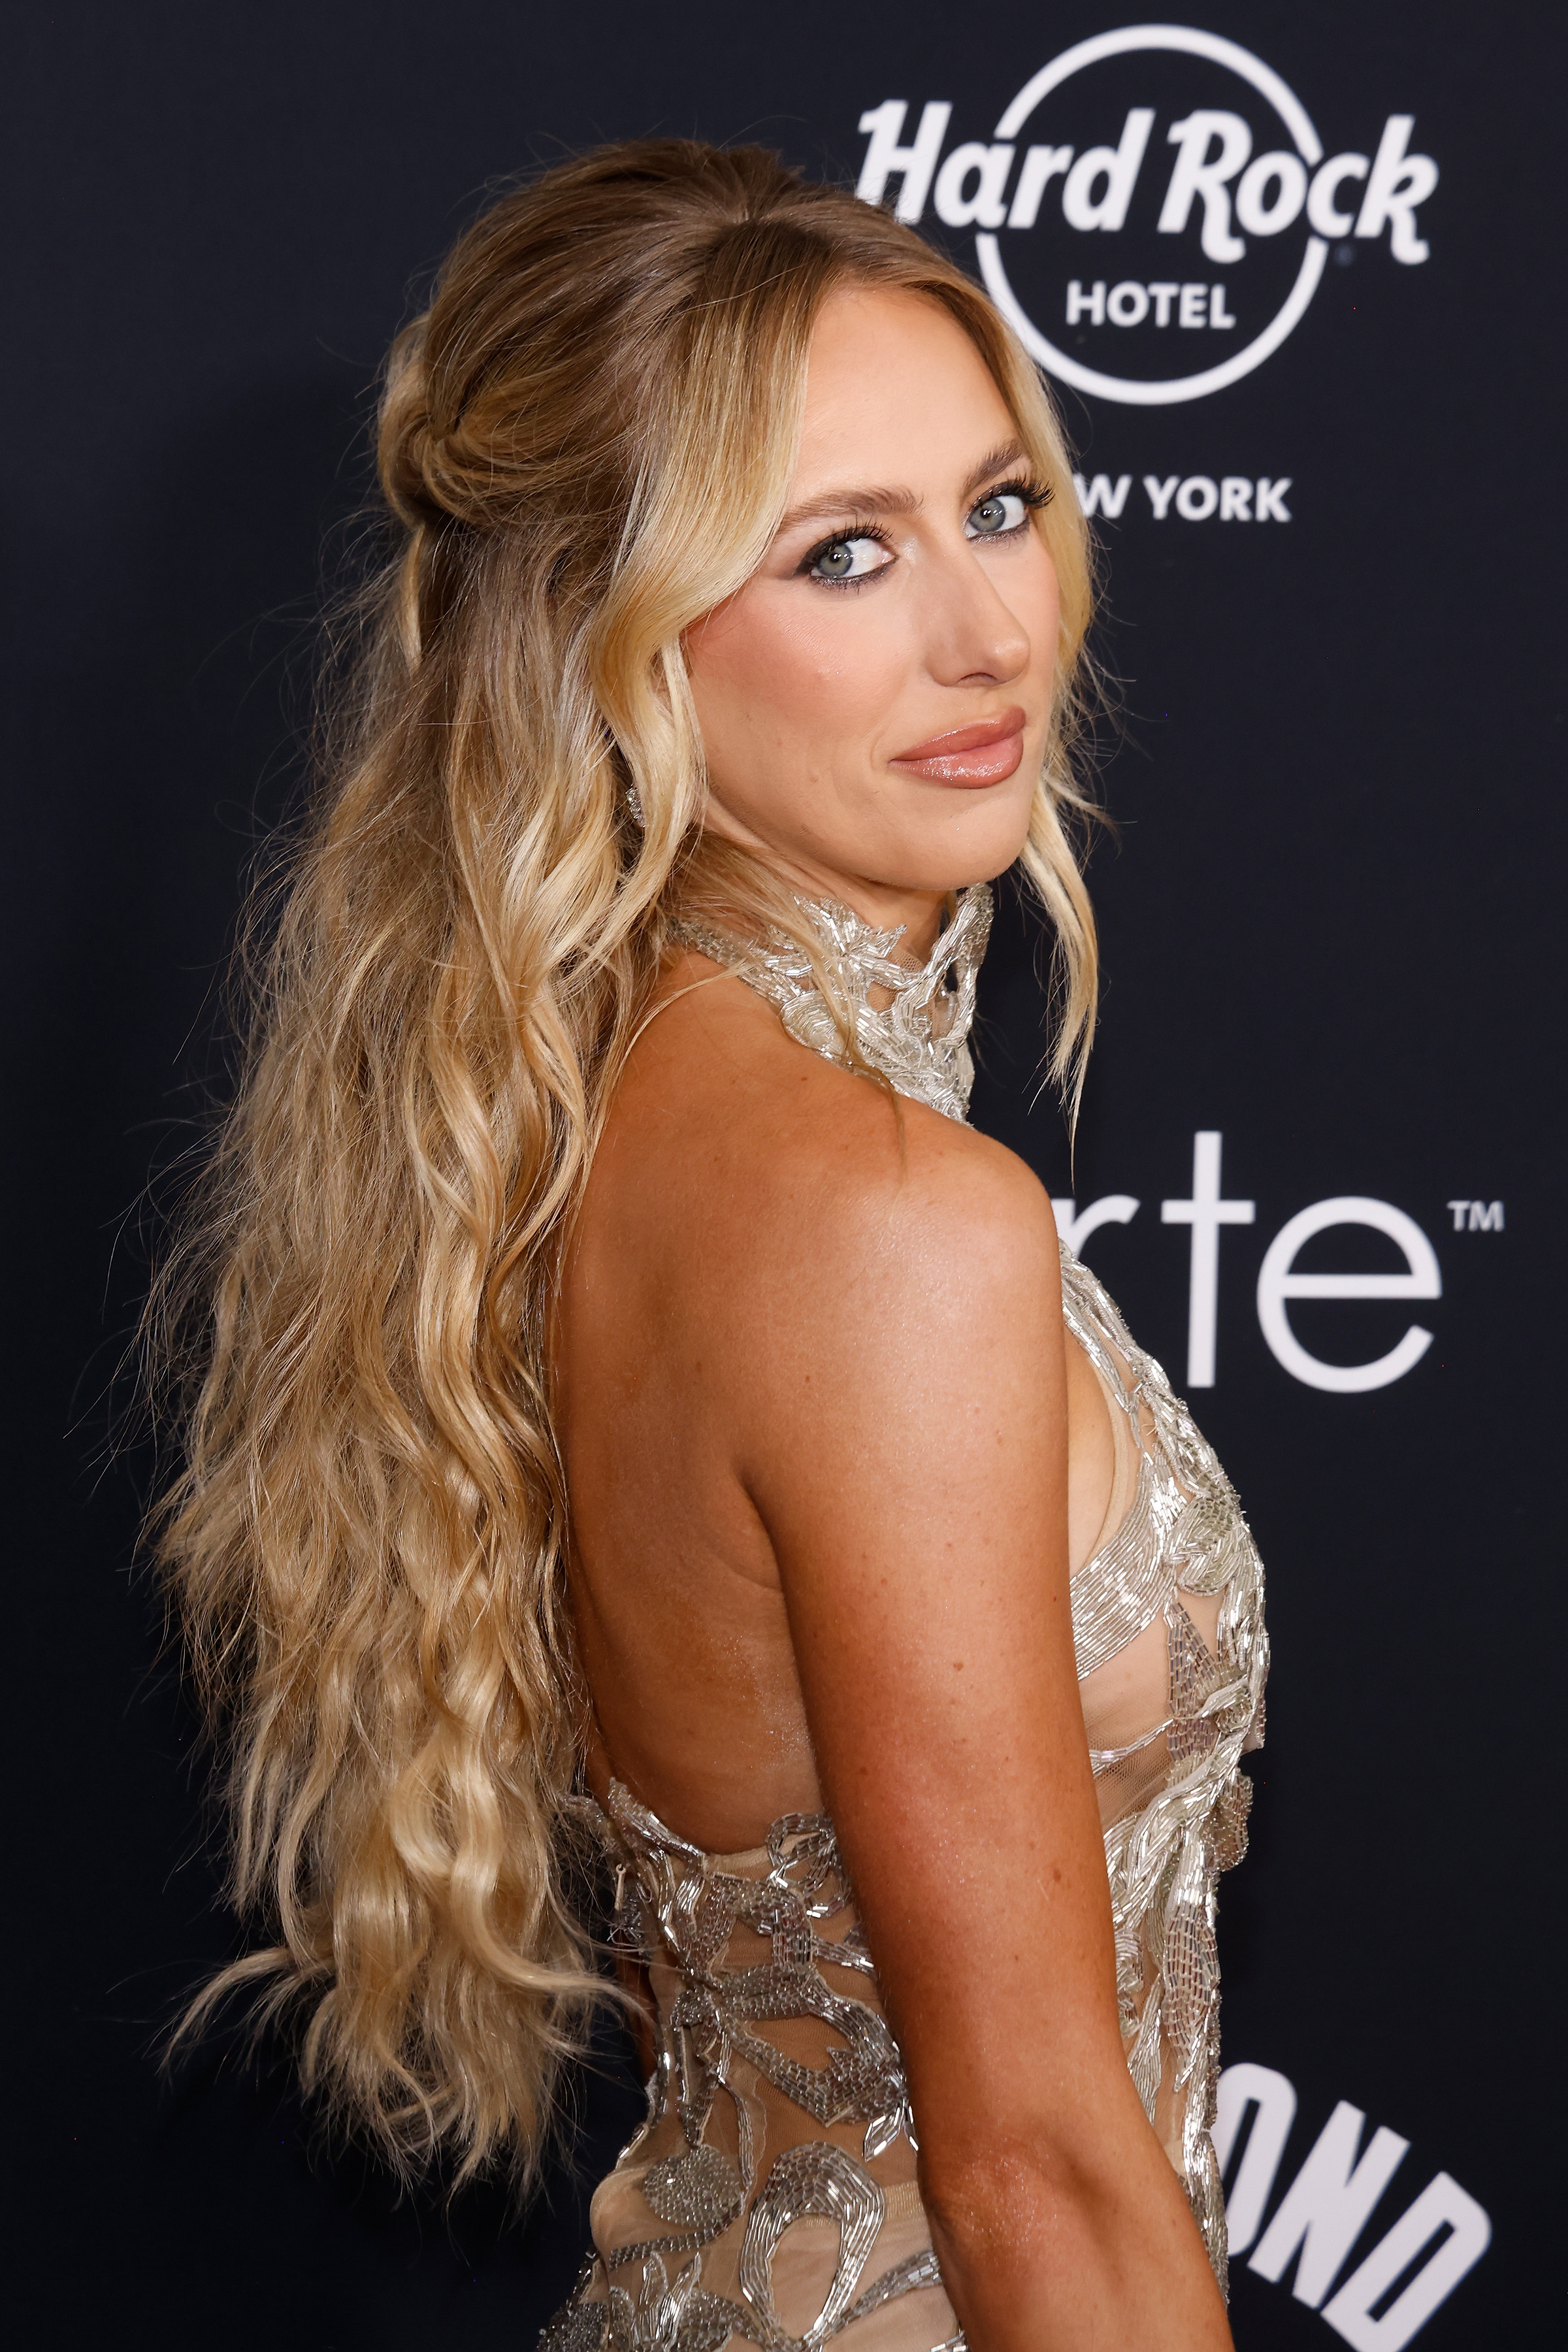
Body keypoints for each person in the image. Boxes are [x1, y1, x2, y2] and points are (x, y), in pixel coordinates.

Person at [152, 142, 1266, 2352]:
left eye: (998, 504)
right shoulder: (889, 1226)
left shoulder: (594, 1123)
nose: (987, 631)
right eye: (843, 554)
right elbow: (1032, 2165)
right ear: (609, 635)